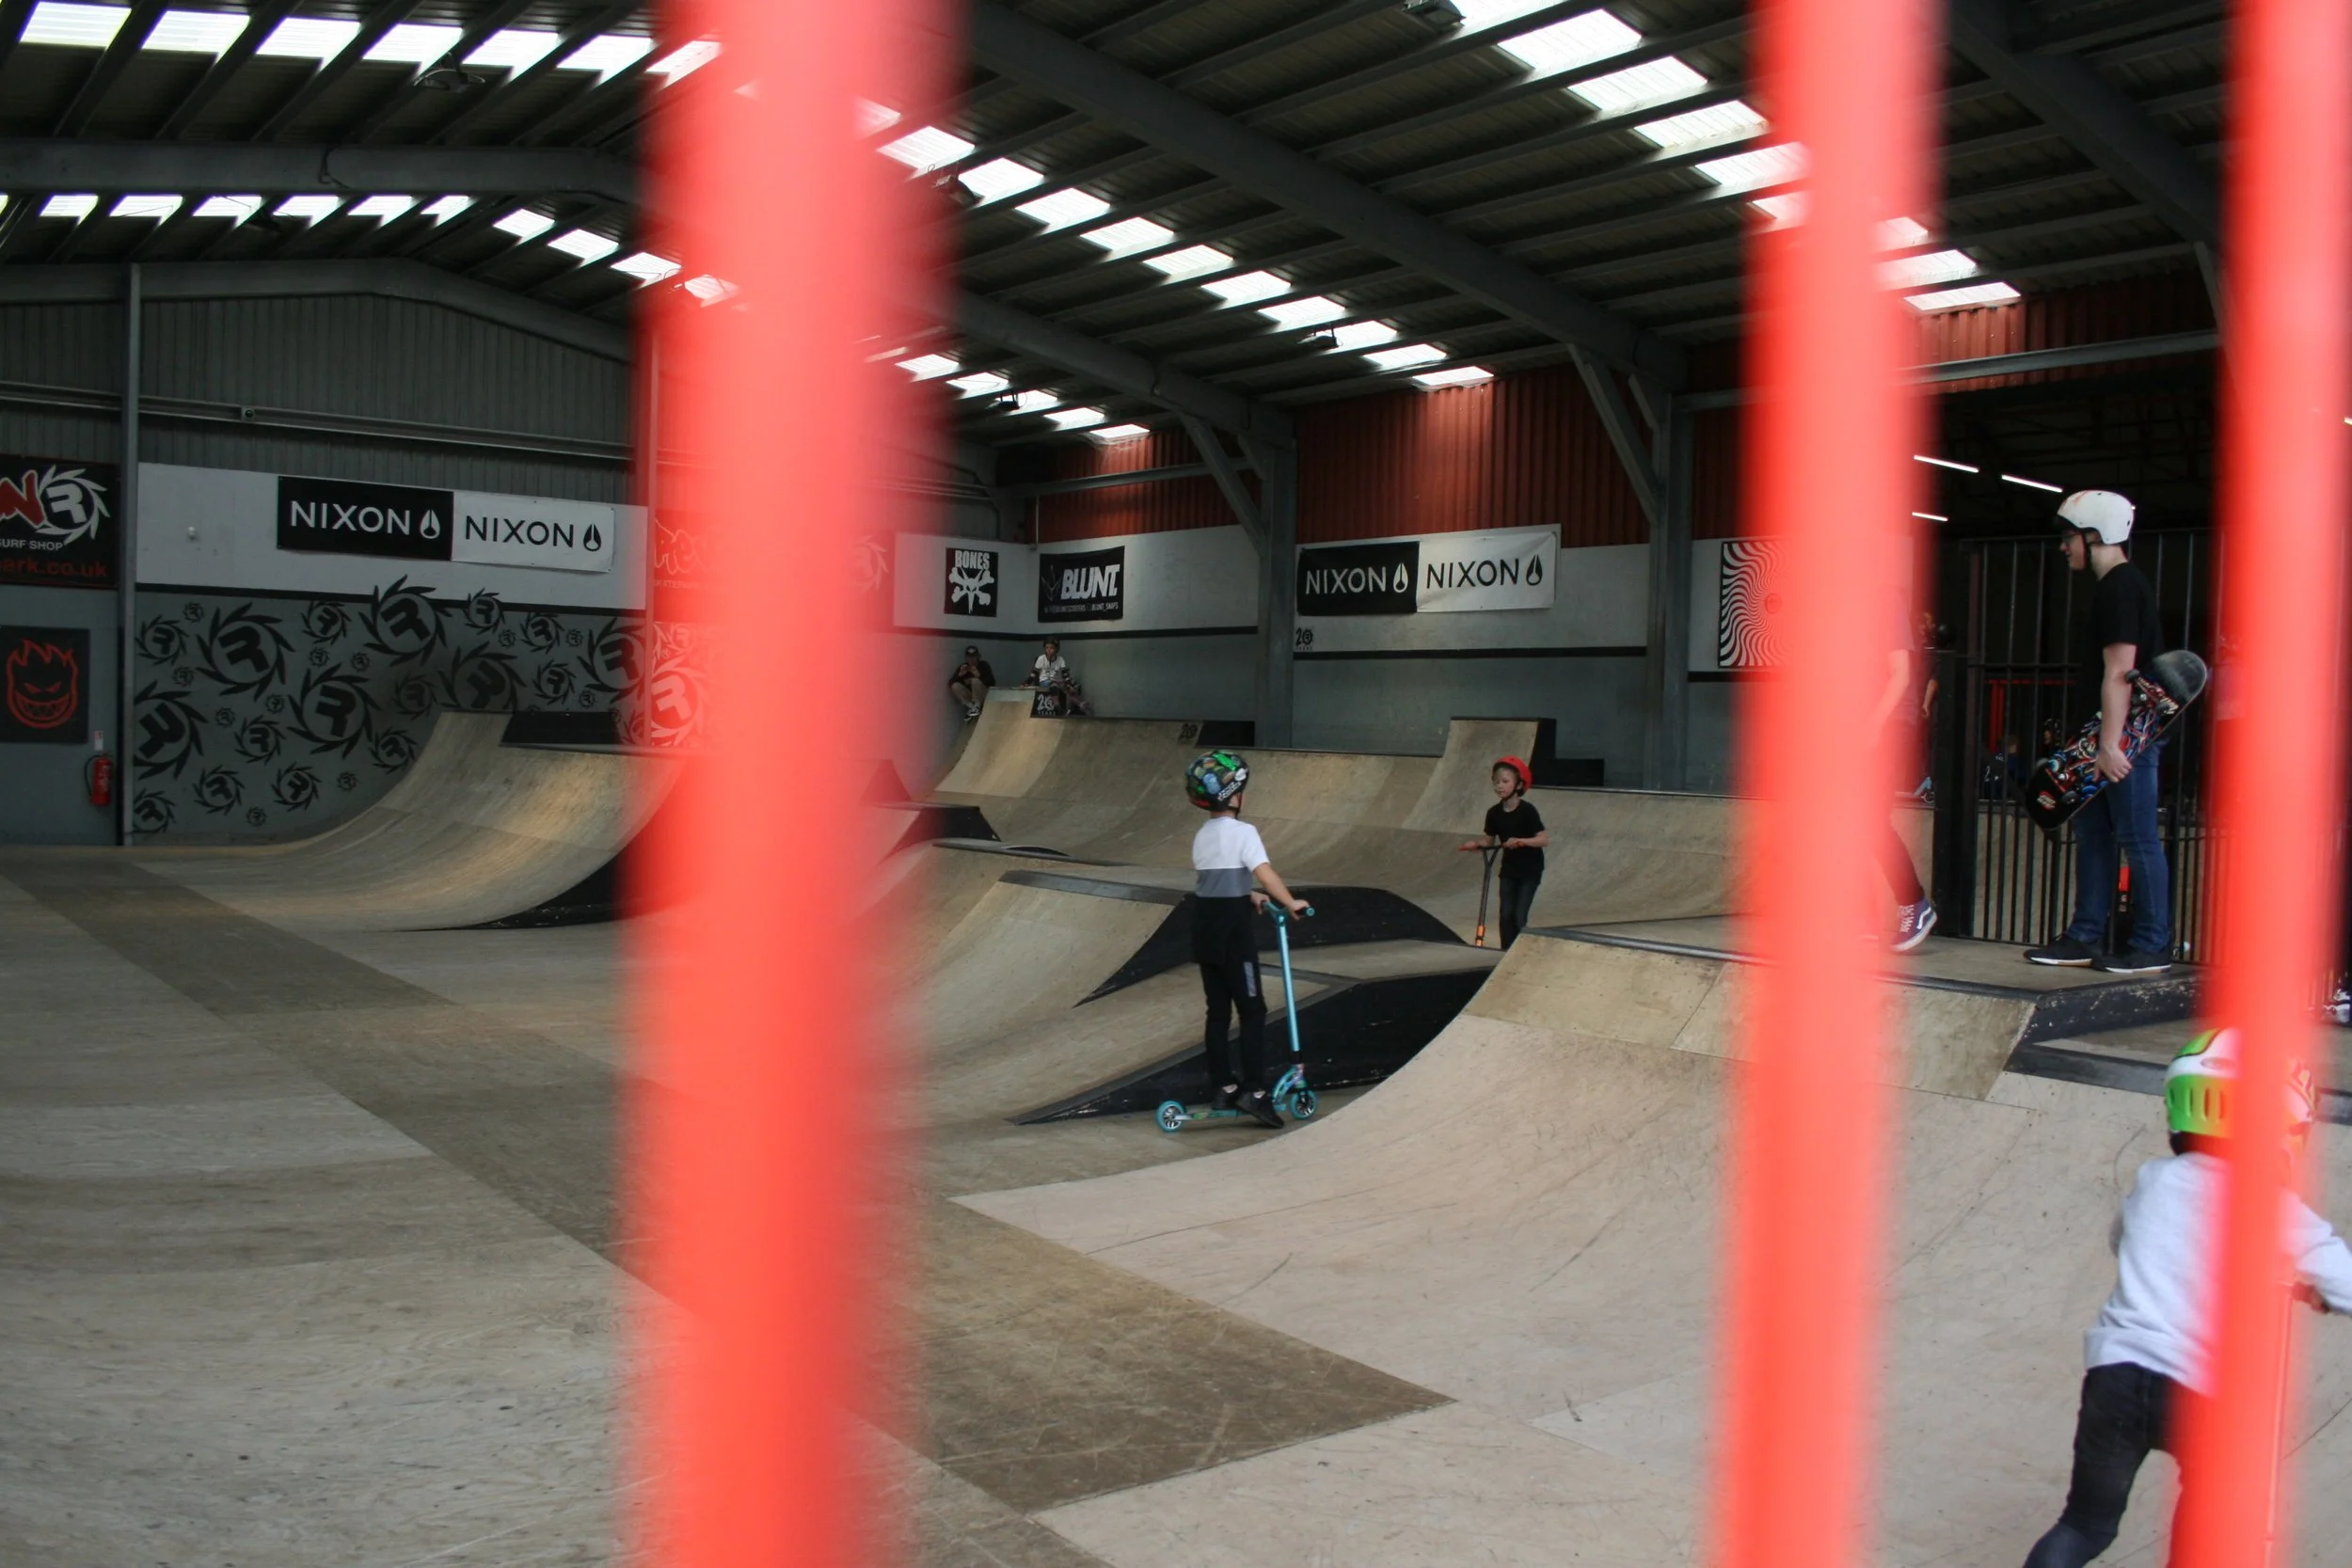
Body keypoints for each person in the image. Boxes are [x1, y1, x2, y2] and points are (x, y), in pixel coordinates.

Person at [2017, 1027, 2352, 1568]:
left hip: (2116, 1378)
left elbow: (2126, 1239)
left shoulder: (2154, 1178)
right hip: (2200, 1393)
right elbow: (2341, 1275)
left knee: (2084, 1525)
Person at [2026, 491, 2173, 974]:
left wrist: (2110, 746)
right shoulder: (2116, 586)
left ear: (2094, 536)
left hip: (2122, 740)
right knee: (2094, 834)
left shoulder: (2120, 587)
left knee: (2135, 836)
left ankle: (2152, 944)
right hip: (2100, 738)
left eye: (2069, 537)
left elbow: (2119, 671)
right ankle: (2085, 935)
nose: (2064, 547)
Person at [1184, 750, 1310, 1129]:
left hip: (1205, 926)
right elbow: (1265, 872)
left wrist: (1248, 894)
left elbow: (1215, 880)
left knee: (1218, 1011)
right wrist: (1291, 903)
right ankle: (1255, 1091)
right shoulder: (1244, 832)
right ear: (1235, 795)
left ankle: (1223, 1085)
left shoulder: (1202, 835)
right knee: (1253, 1010)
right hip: (1234, 934)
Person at [1879, 599, 1937, 953]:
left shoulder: (1885, 606)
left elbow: (1900, 673)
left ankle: (1913, 903)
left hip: (1885, 727)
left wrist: (1872, 728)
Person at [1457, 756, 1549, 949]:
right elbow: (1489, 840)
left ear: (1518, 785)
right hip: (1509, 869)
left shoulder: (1527, 811)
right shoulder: (1494, 813)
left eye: (1505, 782)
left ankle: (1519, 951)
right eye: (1496, 782)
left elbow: (1543, 839)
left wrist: (1521, 841)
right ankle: (1505, 951)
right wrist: (1476, 844)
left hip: (1530, 870)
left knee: (1518, 915)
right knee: (1505, 914)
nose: (1500, 786)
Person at [1025, 639, 1089, 718]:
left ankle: (1079, 704)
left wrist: (1070, 685)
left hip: (1056, 680)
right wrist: (1026, 683)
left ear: (1057, 649)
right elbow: (1034, 673)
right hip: (1044, 681)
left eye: (1051, 648)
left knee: (1069, 686)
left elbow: (1065, 675)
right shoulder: (1041, 659)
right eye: (1047, 648)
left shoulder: (1060, 659)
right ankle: (1057, 708)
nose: (1049, 650)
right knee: (1054, 685)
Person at [947, 645, 994, 721]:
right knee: (955, 686)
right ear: (966, 658)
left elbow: (992, 683)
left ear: (978, 657)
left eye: (973, 657)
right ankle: (971, 707)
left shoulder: (983, 665)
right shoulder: (963, 667)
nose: (971, 660)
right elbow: (950, 683)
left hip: (984, 696)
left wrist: (979, 676)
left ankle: (977, 705)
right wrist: (959, 675)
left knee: (975, 681)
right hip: (971, 697)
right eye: (969, 658)